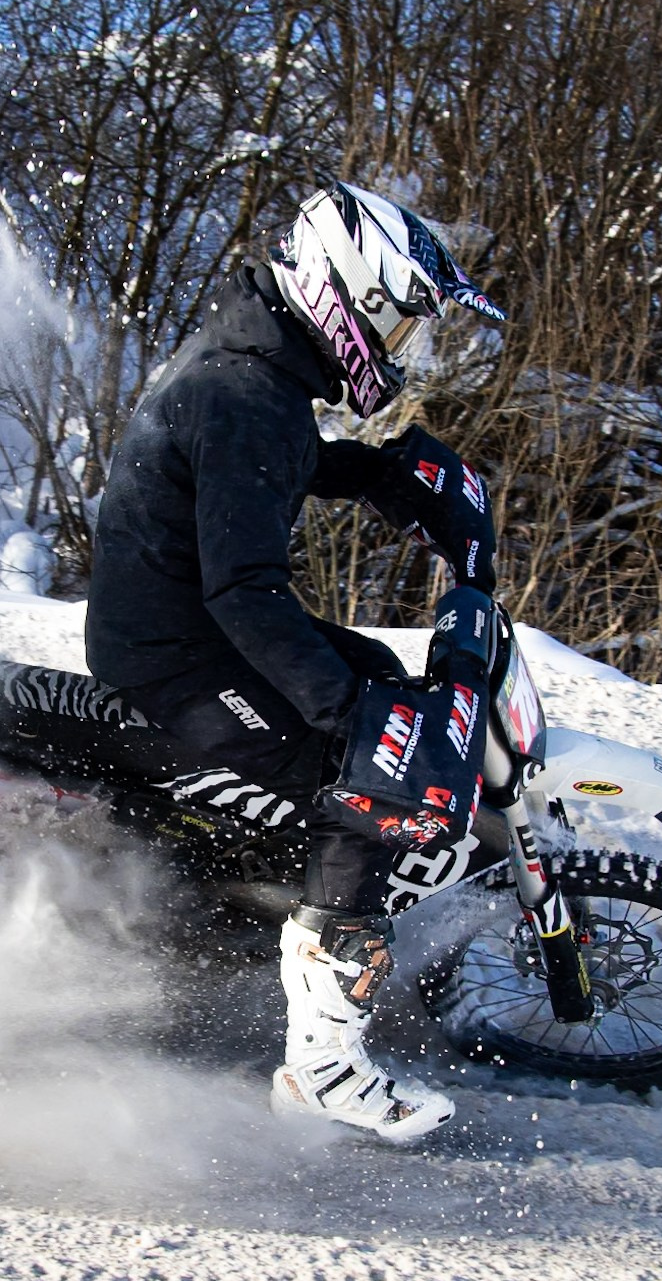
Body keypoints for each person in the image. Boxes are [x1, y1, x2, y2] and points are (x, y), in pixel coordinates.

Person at [84, 181, 507, 1143]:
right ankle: (325, 1067)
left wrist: (399, 474)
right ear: (349, 300)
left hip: (183, 627)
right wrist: (343, 719)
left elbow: (292, 462)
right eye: (400, 329)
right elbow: (245, 589)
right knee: (367, 772)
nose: (403, 352)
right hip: (181, 654)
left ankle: (285, 896)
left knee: (382, 694)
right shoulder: (242, 394)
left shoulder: (256, 377)